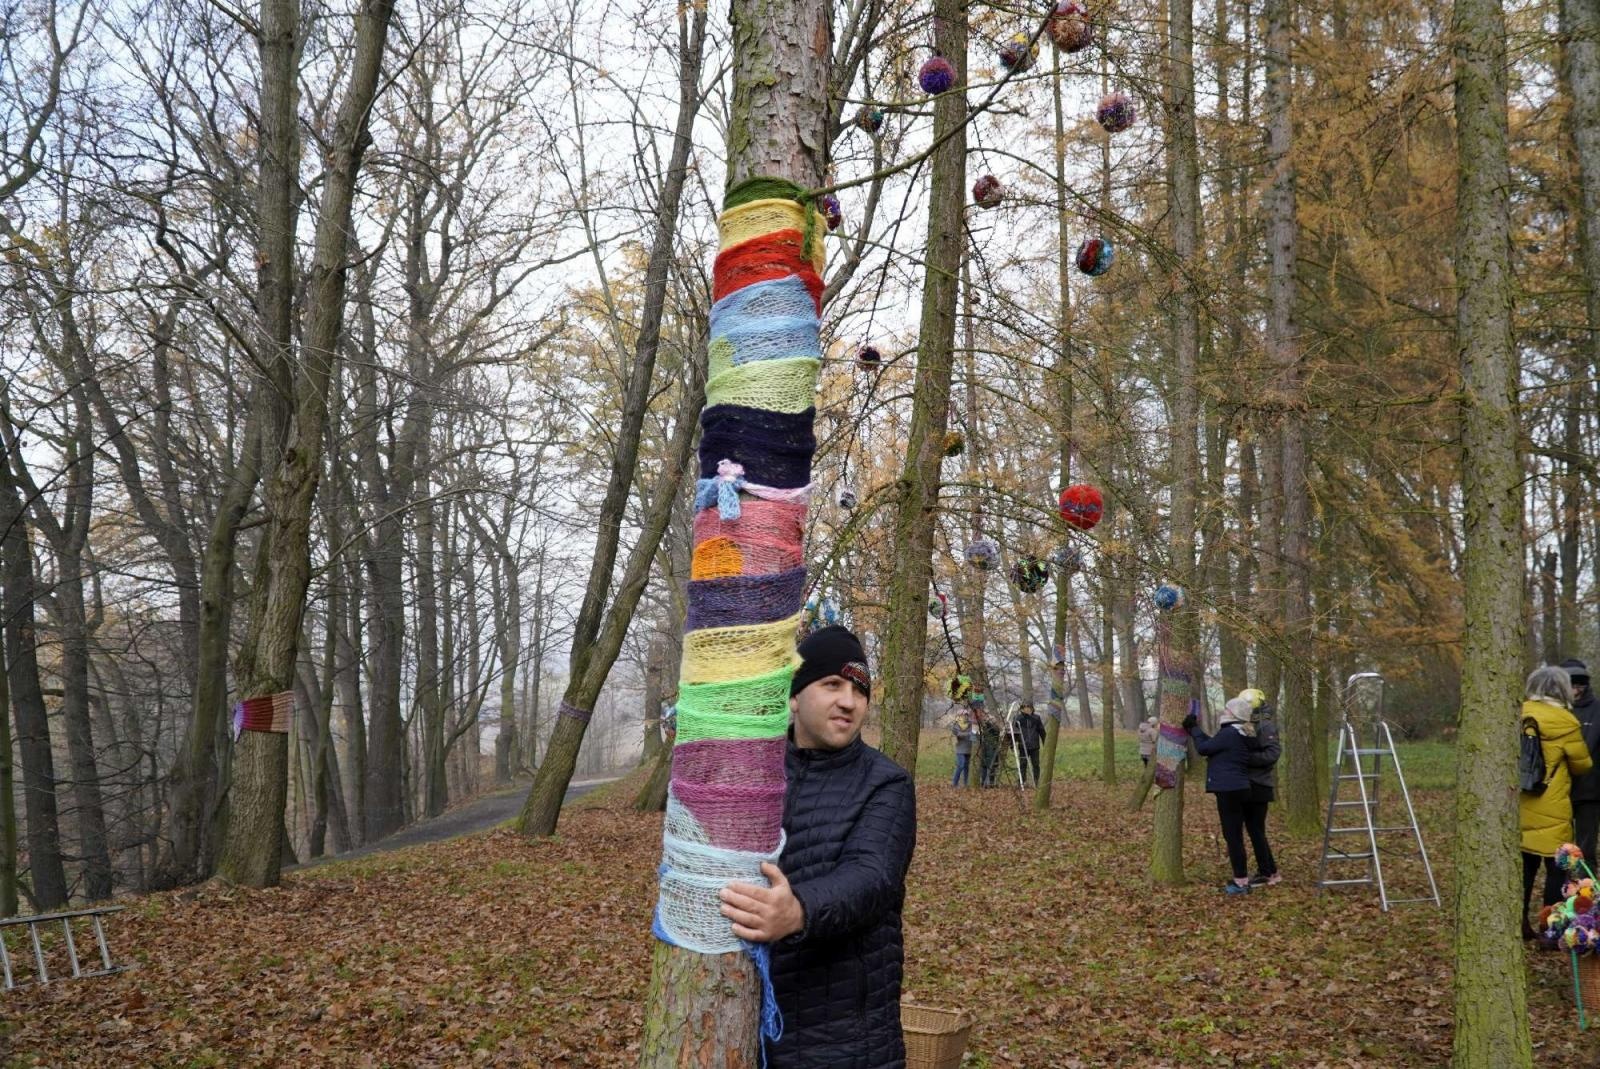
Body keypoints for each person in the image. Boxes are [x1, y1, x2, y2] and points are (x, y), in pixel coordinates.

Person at [717, 625, 917, 1067]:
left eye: (860, 690)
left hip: (847, 1042)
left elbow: (872, 876)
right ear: (794, 696)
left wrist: (797, 911)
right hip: (750, 1026)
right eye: (832, 684)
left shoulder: (887, 783)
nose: (849, 700)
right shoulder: (756, 777)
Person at [1519, 664, 1593, 940]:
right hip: (1552, 805)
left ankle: (1520, 922)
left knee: (1524, 869)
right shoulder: (1566, 721)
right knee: (1554, 870)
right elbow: (1582, 764)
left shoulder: (1518, 714)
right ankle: (1549, 927)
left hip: (1520, 802)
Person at [1184, 697, 1263, 895]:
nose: (1223, 712)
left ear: (1234, 714)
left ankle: (1240, 882)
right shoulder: (1244, 732)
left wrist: (1193, 728)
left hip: (1229, 790)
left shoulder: (1230, 733)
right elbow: (1214, 746)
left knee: (1232, 836)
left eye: (1226, 710)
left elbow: (1205, 748)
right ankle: (1242, 879)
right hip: (1241, 788)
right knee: (1235, 834)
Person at [1562, 658, 1600, 865]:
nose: (1575, 690)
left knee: (1586, 849)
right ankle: (1563, 891)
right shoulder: (1556, 710)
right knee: (1562, 851)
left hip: (1590, 792)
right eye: (1570, 685)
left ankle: (1587, 892)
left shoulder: (1597, 709)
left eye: (1579, 685)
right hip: (1559, 791)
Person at [1242, 699, 1281, 887]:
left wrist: (1246, 758)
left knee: (1256, 830)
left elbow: (1272, 754)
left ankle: (1267, 872)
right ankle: (1270, 871)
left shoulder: (1265, 726)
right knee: (1255, 830)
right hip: (1254, 784)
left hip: (1259, 785)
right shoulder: (1255, 724)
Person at [1014, 702, 1046, 785]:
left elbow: (1042, 731)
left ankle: (1036, 780)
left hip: (1034, 745)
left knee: (1035, 764)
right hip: (1022, 745)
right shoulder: (1018, 719)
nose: (1027, 709)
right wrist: (1012, 744)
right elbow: (1014, 732)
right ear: (1022, 709)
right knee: (1023, 763)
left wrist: (1045, 743)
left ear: (1032, 709)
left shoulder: (1036, 718)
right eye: (1025, 708)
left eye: (1029, 708)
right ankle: (1022, 781)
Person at [949, 710, 977, 787]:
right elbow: (958, 734)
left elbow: (974, 734)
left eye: (966, 715)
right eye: (963, 715)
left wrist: (974, 734)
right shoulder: (956, 725)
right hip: (960, 748)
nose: (965, 716)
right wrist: (969, 734)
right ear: (959, 716)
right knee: (960, 765)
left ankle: (965, 783)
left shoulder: (971, 724)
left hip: (969, 747)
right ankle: (954, 783)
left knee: (966, 766)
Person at [977, 703, 1002, 787]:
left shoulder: (994, 726)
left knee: (992, 766)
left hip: (992, 747)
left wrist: (989, 722)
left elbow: (996, 730)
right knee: (984, 766)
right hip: (985, 747)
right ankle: (983, 782)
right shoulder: (983, 724)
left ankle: (991, 782)